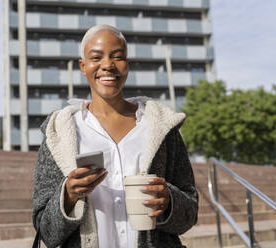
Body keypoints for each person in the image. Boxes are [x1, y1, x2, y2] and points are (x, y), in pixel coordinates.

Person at [32, 24, 198, 248]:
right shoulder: (58, 133)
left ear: (127, 65)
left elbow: (190, 212)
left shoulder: (161, 127)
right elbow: (46, 232)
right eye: (96, 57)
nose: (108, 65)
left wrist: (169, 201)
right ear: (83, 66)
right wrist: (68, 196)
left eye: (117, 57)